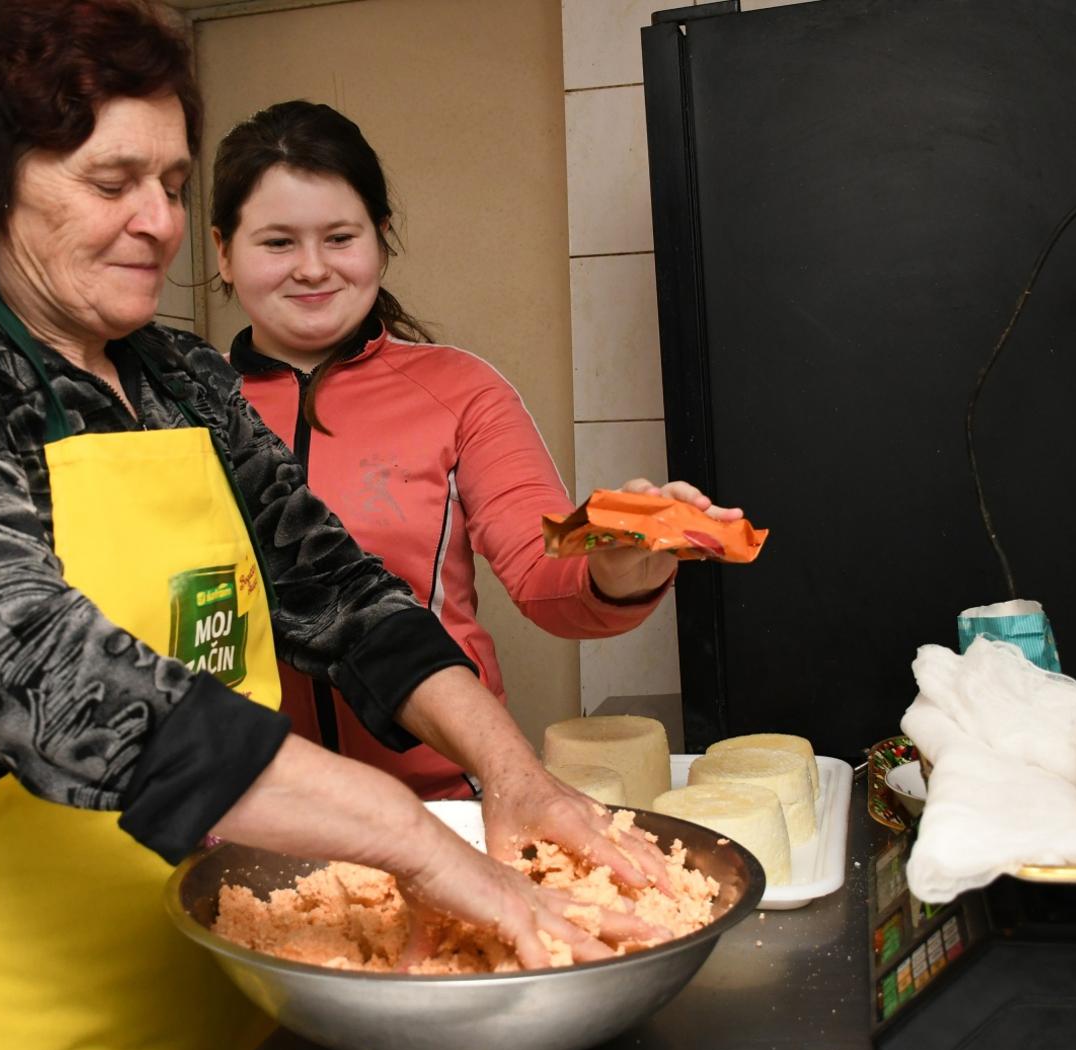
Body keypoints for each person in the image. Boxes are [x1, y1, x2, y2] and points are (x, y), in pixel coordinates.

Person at [0, 3, 669, 1050]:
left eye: (171, 184)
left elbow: (339, 591)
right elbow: (26, 658)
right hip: (6, 1005)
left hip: (231, 977)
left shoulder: (182, 380)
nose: (160, 223)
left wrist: (508, 772)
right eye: (110, 182)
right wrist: (402, 834)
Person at [211, 100, 741, 799]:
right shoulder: (178, 409)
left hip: (443, 804)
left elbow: (544, 574)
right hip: (246, 807)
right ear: (223, 250)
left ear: (381, 238)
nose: (312, 268)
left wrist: (618, 566)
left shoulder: (461, 391)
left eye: (340, 237)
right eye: (277, 242)